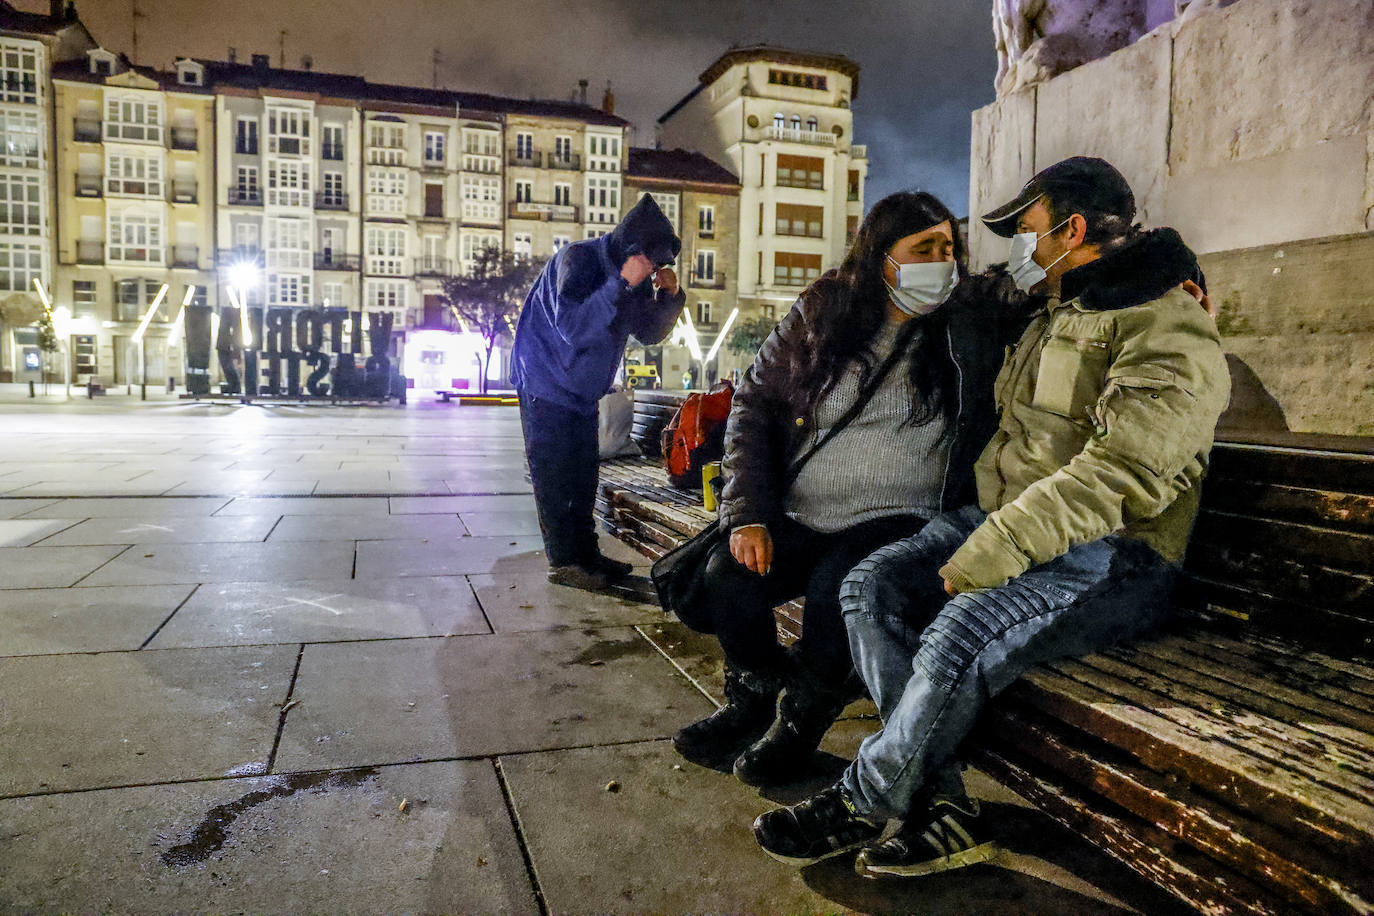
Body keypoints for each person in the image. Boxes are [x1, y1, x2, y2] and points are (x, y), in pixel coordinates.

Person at [752, 157, 1231, 878]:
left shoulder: (1167, 324)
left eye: (1026, 232)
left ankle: (862, 799)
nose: (1018, 250)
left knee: (959, 627)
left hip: (1116, 557)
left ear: (1072, 229)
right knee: (869, 585)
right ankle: (941, 807)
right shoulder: (1061, 307)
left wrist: (996, 546)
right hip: (1011, 525)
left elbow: (1124, 472)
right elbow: (972, 302)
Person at [672, 192, 1037, 787]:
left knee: (834, 587)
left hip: (903, 516)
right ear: (881, 257)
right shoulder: (826, 308)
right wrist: (748, 513)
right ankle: (756, 697)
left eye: (949, 247)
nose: (941, 260)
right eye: (924, 248)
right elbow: (756, 403)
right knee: (726, 576)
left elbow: (1054, 284)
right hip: (805, 509)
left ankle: (800, 721)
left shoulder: (969, 313)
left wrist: (1170, 271)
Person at [510, 194, 685, 591]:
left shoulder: (636, 277)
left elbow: (648, 332)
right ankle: (564, 563)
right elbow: (573, 328)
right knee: (556, 476)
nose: (655, 270)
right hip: (544, 379)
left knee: (583, 474)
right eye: (653, 263)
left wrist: (669, 297)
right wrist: (622, 283)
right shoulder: (580, 260)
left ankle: (586, 557)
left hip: (581, 391)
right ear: (632, 250)